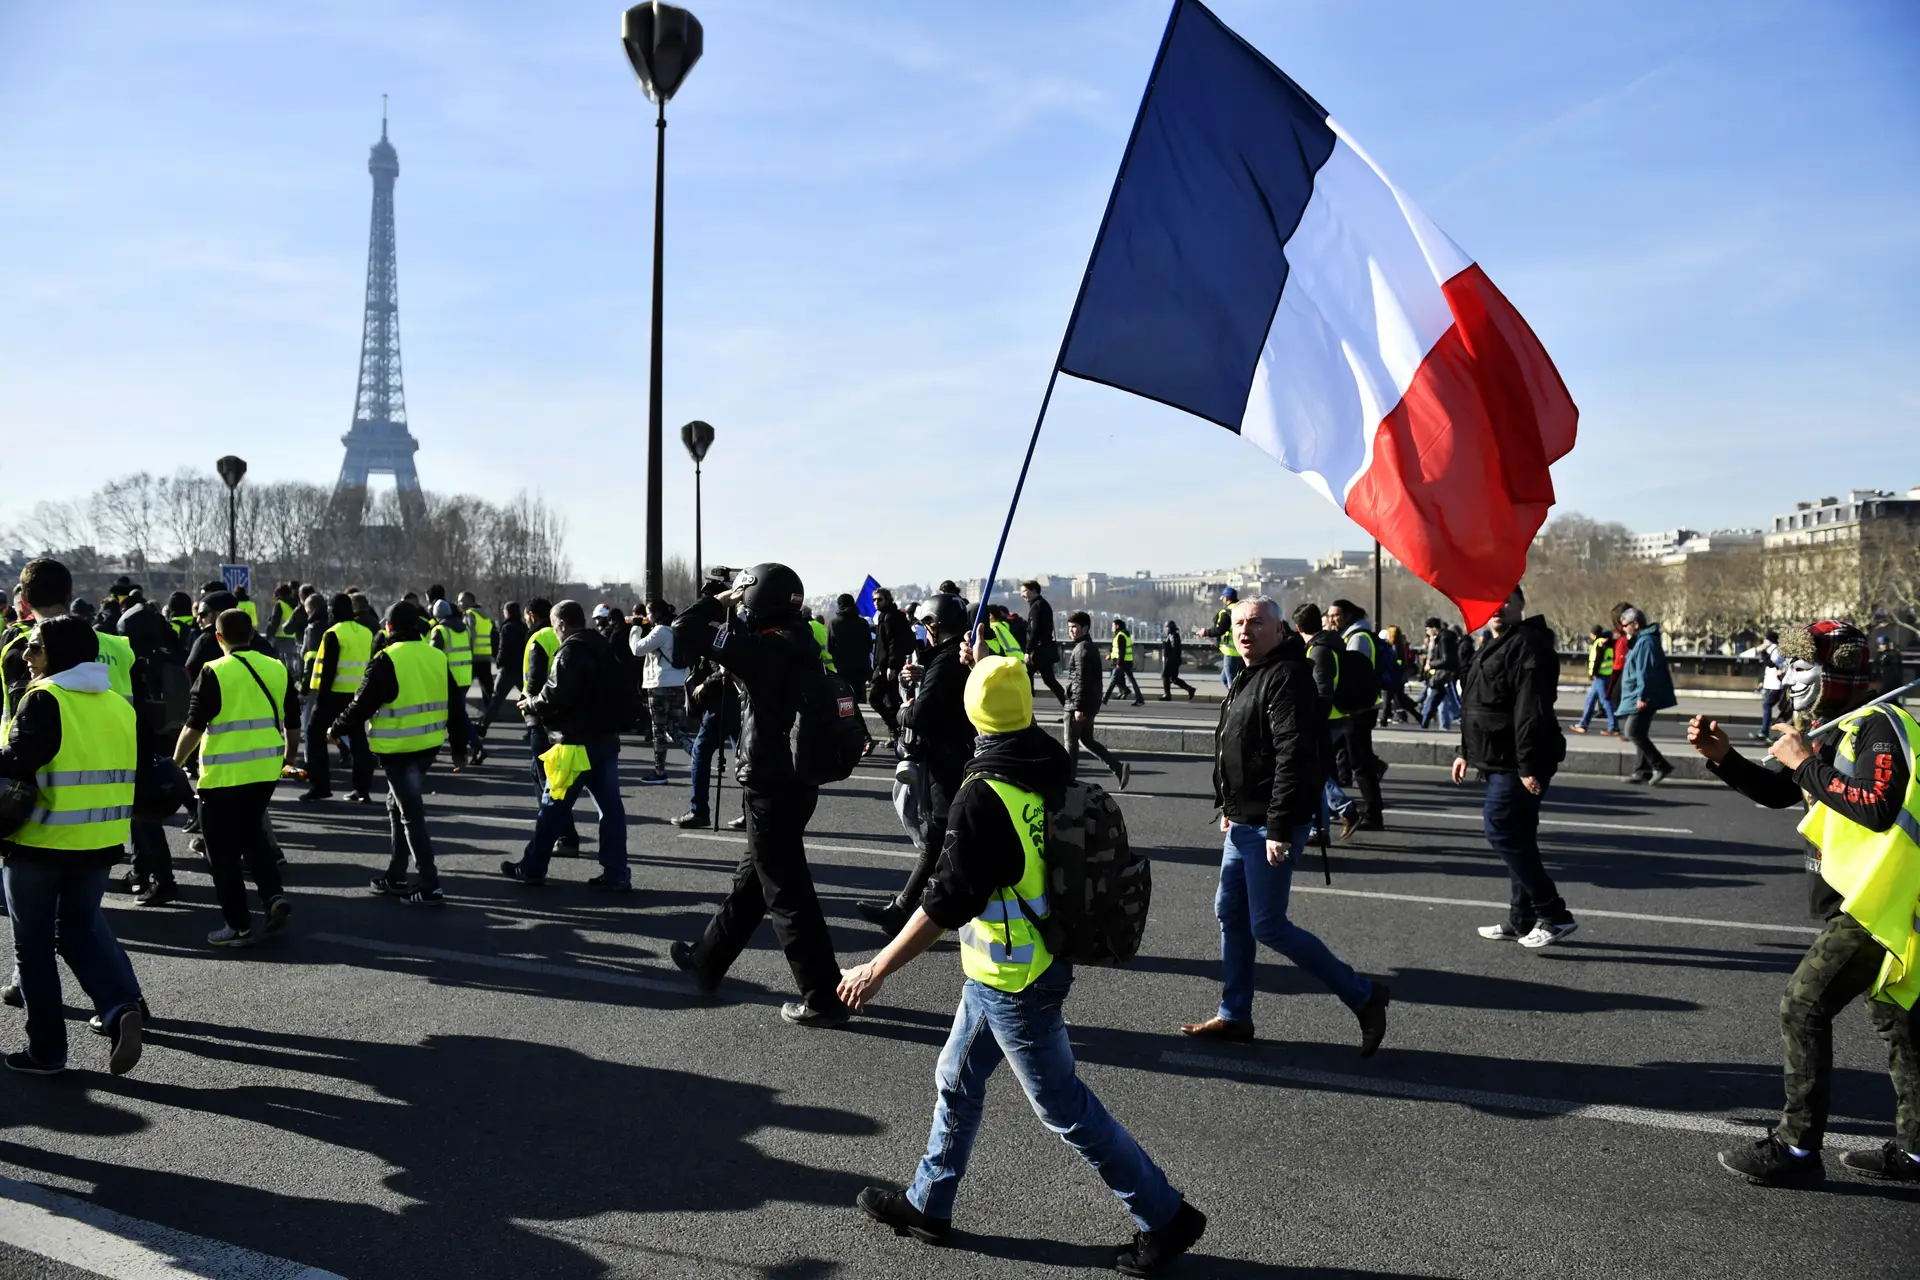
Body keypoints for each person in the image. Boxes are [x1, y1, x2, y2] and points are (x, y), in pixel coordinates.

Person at [840, 656, 1209, 1276]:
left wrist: (875, 969)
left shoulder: (983, 797)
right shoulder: (1045, 765)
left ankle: (1167, 1217)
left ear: (973, 717)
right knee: (956, 1077)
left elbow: (945, 905)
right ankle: (930, 1203)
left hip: (1016, 979)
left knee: (1063, 1107)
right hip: (1016, 967)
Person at [1689, 620, 1919, 1186]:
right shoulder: (1841, 730)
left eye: (1798, 666)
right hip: (1881, 898)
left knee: (1803, 1005)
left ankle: (1795, 1148)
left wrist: (1803, 762)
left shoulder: (1878, 728)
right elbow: (1782, 791)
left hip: (1877, 903)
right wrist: (1725, 758)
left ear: (1833, 671)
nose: (1788, 678)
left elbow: (1874, 805)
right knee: (1900, 1022)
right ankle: (1916, 1152)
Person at [1180, 597, 1392, 1061]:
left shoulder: (1286, 676)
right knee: (1230, 914)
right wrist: (1229, 806)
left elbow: (1291, 755)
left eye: (1255, 622)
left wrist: (1278, 825)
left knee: (1268, 925)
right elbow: (1238, 746)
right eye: (1238, 623)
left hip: (1269, 825)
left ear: (1279, 629)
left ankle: (1363, 996)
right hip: (1244, 818)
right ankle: (1235, 1013)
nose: (1244, 630)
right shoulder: (1250, 672)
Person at [668, 563, 851, 1026]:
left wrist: (718, 601)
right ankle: (707, 960)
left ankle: (823, 997)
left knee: (786, 893)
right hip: (798, 782)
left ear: (755, 602)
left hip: (769, 785)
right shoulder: (805, 642)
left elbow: (682, 630)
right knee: (754, 881)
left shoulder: (760, 650)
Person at [0, 614, 147, 1076]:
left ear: (58, 652)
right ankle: (120, 1008)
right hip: (100, 843)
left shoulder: (45, 699)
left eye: (36, 647)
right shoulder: (118, 704)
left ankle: (46, 1052)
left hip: (40, 841)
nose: (26, 656)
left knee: (35, 947)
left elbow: (19, 763)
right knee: (79, 931)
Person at [1450, 586, 1576, 948]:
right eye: (1491, 599)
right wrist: (1464, 752)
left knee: (1501, 829)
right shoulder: (1491, 644)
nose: (1498, 607)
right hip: (1497, 756)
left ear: (1522, 604)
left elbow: (1530, 711)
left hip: (1517, 760)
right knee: (1519, 836)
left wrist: (1528, 765)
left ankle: (1553, 913)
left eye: (1507, 599)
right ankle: (1521, 919)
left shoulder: (1528, 645)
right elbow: (1475, 704)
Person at [172, 609, 300, 947]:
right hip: (266, 770)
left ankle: (238, 926)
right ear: (253, 634)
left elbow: (194, 726)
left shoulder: (214, 671)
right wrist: (288, 758)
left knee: (222, 854)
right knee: (253, 833)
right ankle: (273, 895)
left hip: (223, 775)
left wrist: (175, 762)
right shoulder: (277, 668)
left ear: (218, 638)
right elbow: (293, 720)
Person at [334, 600, 468, 906]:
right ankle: (396, 875)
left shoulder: (386, 659)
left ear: (389, 627)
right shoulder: (435, 656)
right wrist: (459, 750)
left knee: (410, 815)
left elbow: (363, 703)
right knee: (396, 806)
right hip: (427, 747)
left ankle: (430, 884)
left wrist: (336, 727)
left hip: (398, 749)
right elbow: (456, 707)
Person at [855, 593, 973, 936]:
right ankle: (905, 909)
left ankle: (917, 913)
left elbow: (921, 714)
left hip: (949, 762)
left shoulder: (948, 661)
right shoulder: (954, 658)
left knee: (944, 837)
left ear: (935, 626)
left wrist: (904, 709)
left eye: (926, 626)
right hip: (956, 758)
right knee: (941, 838)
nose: (924, 632)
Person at [504, 600, 633, 891]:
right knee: (611, 811)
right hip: (606, 741)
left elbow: (554, 695)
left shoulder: (570, 651)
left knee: (551, 810)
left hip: (573, 745)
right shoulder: (602, 645)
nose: (554, 631)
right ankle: (616, 873)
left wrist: (531, 704)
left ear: (561, 624)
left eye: (554, 626)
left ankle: (532, 868)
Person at [1295, 603, 1364, 840]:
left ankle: (1345, 810)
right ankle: (1320, 829)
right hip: (1337, 716)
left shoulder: (1318, 650)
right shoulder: (1330, 644)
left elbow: (1322, 690)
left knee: (1312, 770)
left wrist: (1313, 720)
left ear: (1298, 627)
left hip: (1328, 718)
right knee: (1315, 770)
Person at [300, 593, 376, 804]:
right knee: (358, 741)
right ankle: (362, 790)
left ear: (333, 611)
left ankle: (320, 786)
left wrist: (321, 699)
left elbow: (328, 671)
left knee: (314, 736)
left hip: (333, 695)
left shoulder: (333, 633)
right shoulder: (365, 632)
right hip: (357, 695)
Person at [1325, 599, 1385, 833]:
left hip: (1360, 709)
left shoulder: (1358, 638)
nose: (1332, 620)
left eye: (1336, 615)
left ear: (1349, 614)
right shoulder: (1354, 635)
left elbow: (1353, 674)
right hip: (1359, 707)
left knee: (1360, 764)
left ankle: (1372, 813)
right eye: (1329, 616)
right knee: (1352, 759)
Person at [1064, 611, 1129, 790]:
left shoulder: (1081, 649)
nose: (1071, 631)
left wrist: (1078, 707)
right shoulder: (1088, 646)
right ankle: (1118, 768)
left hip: (1077, 705)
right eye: (1069, 627)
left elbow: (1080, 680)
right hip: (1088, 703)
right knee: (1087, 740)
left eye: (1075, 627)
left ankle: (1069, 782)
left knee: (1070, 743)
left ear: (1085, 627)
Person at [630, 599, 692, 785]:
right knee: (672, 727)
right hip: (679, 683)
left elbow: (637, 649)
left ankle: (659, 771)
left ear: (656, 614)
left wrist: (635, 628)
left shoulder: (660, 631)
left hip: (660, 684)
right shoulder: (678, 629)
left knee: (659, 729)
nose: (646, 617)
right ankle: (696, 753)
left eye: (648, 613)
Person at [1618, 606, 1676, 784]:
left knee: (1632, 731)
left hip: (1642, 696)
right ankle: (1642, 770)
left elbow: (1646, 672)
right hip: (1638, 694)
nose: (1623, 629)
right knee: (1640, 732)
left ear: (1635, 624)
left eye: (1625, 625)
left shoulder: (1646, 642)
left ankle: (1661, 765)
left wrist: (1642, 697)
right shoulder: (1642, 641)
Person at [870, 588, 915, 749]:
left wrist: (891, 666)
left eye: (879, 599)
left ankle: (897, 732)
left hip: (888, 667)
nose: (876, 603)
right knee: (889, 701)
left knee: (877, 699)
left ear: (887, 599)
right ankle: (897, 733)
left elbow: (893, 644)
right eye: (874, 600)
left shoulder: (890, 617)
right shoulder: (885, 616)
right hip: (884, 666)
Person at [1021, 580, 1068, 707]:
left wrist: (1028, 651)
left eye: (1024, 591)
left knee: (1025, 676)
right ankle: (1068, 707)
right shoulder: (1041, 604)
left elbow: (1035, 630)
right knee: (1049, 680)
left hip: (1039, 650)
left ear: (1033, 590)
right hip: (1045, 649)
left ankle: (1027, 706)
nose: (1022, 594)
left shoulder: (1037, 606)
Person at [486, 600, 528, 732]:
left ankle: (483, 726)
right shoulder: (524, 627)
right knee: (527, 698)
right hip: (521, 668)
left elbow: (503, 648)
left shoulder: (507, 627)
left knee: (496, 699)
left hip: (507, 669)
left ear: (507, 612)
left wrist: (499, 662)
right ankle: (533, 728)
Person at [1572, 624, 1620, 736]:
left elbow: (1596, 660)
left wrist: (1593, 673)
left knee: (1605, 701)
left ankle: (1614, 726)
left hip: (1600, 676)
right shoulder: (1608, 644)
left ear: (1593, 634)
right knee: (1590, 699)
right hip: (1606, 675)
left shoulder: (1599, 643)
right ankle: (1583, 724)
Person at [1418, 617, 1461, 730]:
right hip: (1441, 676)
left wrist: (1431, 665)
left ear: (1434, 628)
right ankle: (1424, 723)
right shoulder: (1443, 638)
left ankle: (1424, 724)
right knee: (1432, 701)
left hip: (1444, 675)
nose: (1427, 632)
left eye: (1428, 629)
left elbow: (1445, 659)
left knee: (1453, 703)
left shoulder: (1443, 639)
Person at [460, 591, 496, 721]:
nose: (459, 604)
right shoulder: (486, 615)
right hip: (485, 656)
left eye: (461, 601)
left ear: (469, 601)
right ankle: (489, 716)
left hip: (473, 657)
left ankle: (458, 713)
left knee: (462, 688)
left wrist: (466, 653)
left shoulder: (470, 615)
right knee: (487, 690)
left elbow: (470, 635)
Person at [1198, 587, 1243, 690]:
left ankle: (1236, 703)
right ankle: (1236, 700)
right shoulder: (1242, 609)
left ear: (1227, 598)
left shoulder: (1226, 612)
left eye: (1223, 598)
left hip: (1231, 651)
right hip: (1242, 650)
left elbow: (1219, 630)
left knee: (1231, 681)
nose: (1223, 600)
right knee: (1225, 680)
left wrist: (1205, 632)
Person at [1104, 619, 1144, 706]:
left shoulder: (1120, 635)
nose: (1112, 627)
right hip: (1127, 661)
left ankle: (1104, 700)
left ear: (1117, 626)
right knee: (1132, 681)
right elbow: (1118, 649)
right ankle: (1140, 699)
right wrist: (1111, 655)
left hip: (1121, 662)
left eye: (1113, 625)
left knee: (1112, 681)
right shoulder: (1125, 634)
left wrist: (1119, 663)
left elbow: (1121, 651)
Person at [1159, 620, 1196, 701]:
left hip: (1172, 660)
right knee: (1173, 678)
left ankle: (1167, 695)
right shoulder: (1174, 635)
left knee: (1165, 676)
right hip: (1175, 660)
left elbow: (1174, 648)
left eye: (1166, 628)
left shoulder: (1173, 636)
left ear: (1170, 628)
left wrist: (1166, 646)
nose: (1165, 629)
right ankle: (1190, 689)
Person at [1874, 636, 1905, 708]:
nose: (1884, 646)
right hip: (1882, 682)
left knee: (1892, 701)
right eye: (1882, 644)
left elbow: (1897, 665)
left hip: (1891, 682)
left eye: (1885, 644)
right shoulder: (1879, 655)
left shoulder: (1892, 655)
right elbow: (1876, 666)